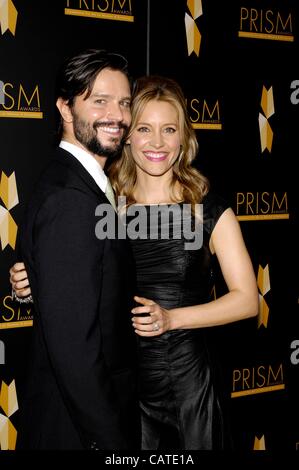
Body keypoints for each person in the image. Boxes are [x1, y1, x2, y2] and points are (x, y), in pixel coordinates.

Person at [11, 75, 259, 450]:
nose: (157, 143)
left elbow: (247, 300)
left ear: (183, 139)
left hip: (189, 386)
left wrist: (173, 318)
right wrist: (34, 279)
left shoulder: (207, 210)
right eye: (144, 128)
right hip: (123, 390)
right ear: (127, 135)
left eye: (169, 129)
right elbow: (77, 279)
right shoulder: (107, 208)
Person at [10, 49, 140, 450]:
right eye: (99, 101)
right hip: (77, 428)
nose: (116, 115)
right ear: (65, 108)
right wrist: (110, 443)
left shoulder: (82, 185)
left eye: (123, 103)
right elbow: (75, 350)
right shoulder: (72, 199)